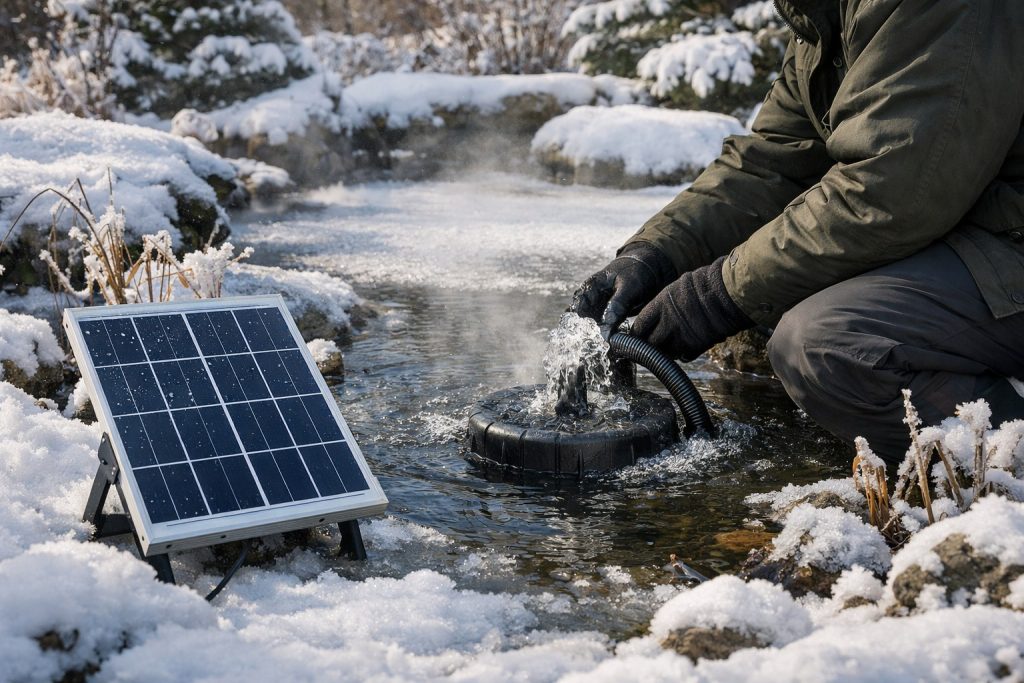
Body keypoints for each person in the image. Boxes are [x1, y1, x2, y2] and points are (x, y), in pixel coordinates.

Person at [571, 0, 1024, 465]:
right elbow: (775, 162)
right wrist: (655, 254)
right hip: (972, 231)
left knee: (824, 344)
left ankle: (1005, 462)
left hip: (1006, 241)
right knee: (781, 291)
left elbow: (893, 192)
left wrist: (713, 297)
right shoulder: (826, 14)